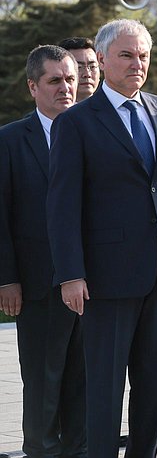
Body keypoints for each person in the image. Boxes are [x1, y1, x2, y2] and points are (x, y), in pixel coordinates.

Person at [46, 18, 157, 458]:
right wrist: (70, 274)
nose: (137, 63)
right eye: (126, 55)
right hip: (106, 277)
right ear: (100, 61)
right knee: (105, 385)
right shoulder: (77, 122)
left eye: (143, 55)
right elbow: (62, 207)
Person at [0, 45, 86, 458]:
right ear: (33, 87)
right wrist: (7, 278)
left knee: (85, 377)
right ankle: (41, 450)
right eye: (55, 81)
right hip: (37, 282)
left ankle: (80, 449)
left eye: (70, 79)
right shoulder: (11, 140)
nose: (66, 88)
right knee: (43, 378)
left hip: (94, 281)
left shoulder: (95, 130)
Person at [57, 37, 100, 101]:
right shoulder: (51, 110)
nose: (87, 74)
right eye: (79, 67)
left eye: (92, 66)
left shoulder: (113, 109)